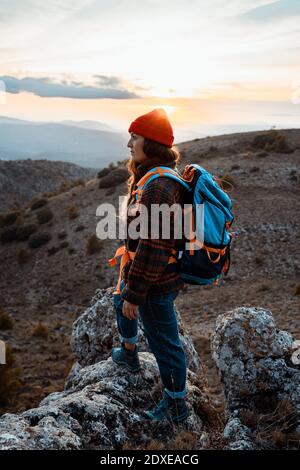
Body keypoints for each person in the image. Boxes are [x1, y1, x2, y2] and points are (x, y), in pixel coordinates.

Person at [110, 108, 190, 423]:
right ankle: (130, 354)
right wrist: (127, 290)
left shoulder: (158, 186)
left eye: (135, 137)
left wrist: (136, 292)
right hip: (148, 274)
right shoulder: (153, 177)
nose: (129, 143)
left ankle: (176, 406)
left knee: (165, 343)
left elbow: (156, 247)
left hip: (156, 282)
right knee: (118, 300)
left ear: (151, 143)